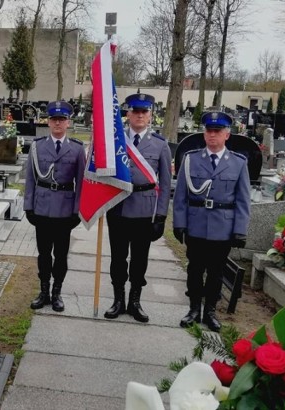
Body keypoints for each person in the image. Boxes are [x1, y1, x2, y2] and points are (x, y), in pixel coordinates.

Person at [173, 111, 251, 332]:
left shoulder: (238, 163)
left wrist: (240, 230)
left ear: (227, 134)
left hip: (222, 228)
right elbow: (180, 196)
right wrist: (179, 223)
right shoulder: (191, 159)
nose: (212, 135)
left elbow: (243, 200)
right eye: (209, 131)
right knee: (195, 270)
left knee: (216, 272)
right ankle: (194, 309)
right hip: (196, 224)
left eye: (217, 131)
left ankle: (210, 311)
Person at [104, 93, 172, 323]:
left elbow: (165, 182)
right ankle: (118, 300)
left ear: (150, 114)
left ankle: (135, 301)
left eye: (144, 111)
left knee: (139, 260)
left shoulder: (160, 145)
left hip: (145, 211)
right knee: (118, 258)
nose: (140, 115)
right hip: (119, 208)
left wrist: (161, 215)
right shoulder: (115, 141)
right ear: (128, 114)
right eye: (135, 111)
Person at [24, 101, 86, 312]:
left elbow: (81, 182)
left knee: (60, 255)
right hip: (42, 208)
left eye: (61, 120)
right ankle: (43, 291)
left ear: (68, 122)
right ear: (48, 122)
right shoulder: (37, 146)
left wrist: (77, 211)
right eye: (54, 119)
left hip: (64, 211)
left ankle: (57, 292)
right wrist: (28, 206)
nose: (57, 123)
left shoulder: (77, 149)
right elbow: (30, 178)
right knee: (43, 254)